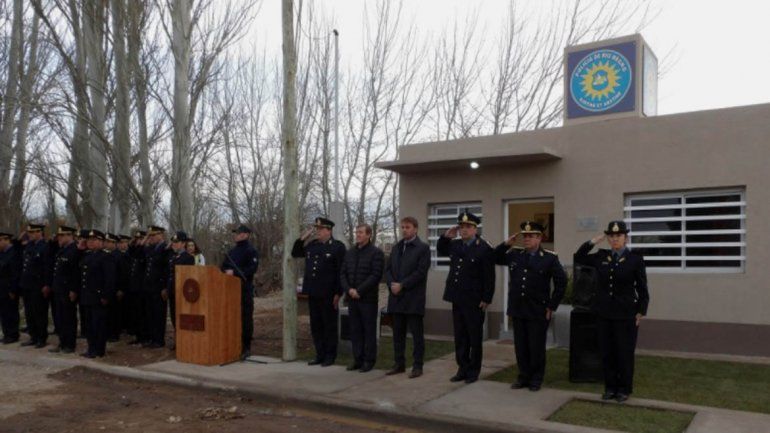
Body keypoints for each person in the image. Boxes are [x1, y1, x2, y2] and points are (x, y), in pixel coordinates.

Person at [574, 220, 649, 403]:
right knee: (606, 353)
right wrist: (593, 241)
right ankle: (610, 388)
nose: (615, 239)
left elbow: (642, 288)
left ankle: (624, 388)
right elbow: (579, 257)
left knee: (624, 353)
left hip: (626, 315)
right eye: (612, 236)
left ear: (625, 238)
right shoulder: (601, 256)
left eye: (619, 236)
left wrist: (640, 311)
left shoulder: (635, 260)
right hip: (604, 313)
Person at [494, 221, 567, 392]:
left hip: (538, 310)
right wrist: (505, 245)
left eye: (530, 236)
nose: (526, 239)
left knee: (536, 347)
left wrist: (552, 306)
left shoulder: (549, 258)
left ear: (539, 238)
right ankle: (523, 377)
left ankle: (536, 378)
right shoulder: (515, 254)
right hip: (518, 308)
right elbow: (494, 258)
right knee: (521, 346)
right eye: (524, 236)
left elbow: (561, 283)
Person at [437, 211, 495, 384]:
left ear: (475, 229)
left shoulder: (484, 248)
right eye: (461, 227)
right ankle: (462, 368)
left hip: (475, 299)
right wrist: (445, 236)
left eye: (468, 227)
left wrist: (487, 298)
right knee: (460, 336)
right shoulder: (455, 245)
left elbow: (489, 276)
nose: (464, 230)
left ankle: (473, 371)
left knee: (474, 337)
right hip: (457, 297)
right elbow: (441, 251)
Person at [291, 217, 346, 367]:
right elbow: (295, 252)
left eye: (320, 229)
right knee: (316, 326)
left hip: (328, 293)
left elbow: (341, 271)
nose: (318, 232)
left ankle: (330, 355)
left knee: (329, 325)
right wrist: (303, 237)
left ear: (329, 230)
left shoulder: (337, 247)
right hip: (313, 292)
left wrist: (338, 293)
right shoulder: (312, 245)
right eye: (316, 229)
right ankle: (319, 354)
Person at [384, 217, 430, 378]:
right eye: (402, 227)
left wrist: (402, 285)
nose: (404, 230)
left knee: (417, 335)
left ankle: (417, 366)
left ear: (415, 229)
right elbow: (388, 269)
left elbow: (420, 272)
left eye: (408, 227)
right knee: (398, 334)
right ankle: (399, 364)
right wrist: (392, 284)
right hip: (396, 298)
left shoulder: (423, 248)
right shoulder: (396, 248)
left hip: (413, 298)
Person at [340, 223, 384, 373]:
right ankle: (357, 359)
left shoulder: (376, 253)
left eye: (360, 232)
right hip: (352, 298)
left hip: (367, 299)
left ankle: (369, 360)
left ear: (368, 235)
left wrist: (359, 290)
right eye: (356, 232)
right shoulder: (350, 252)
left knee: (368, 331)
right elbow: (343, 273)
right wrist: (349, 290)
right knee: (355, 330)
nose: (357, 235)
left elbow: (376, 275)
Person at [221, 225, 259, 360]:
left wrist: (235, 272)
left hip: (244, 288)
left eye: (237, 233)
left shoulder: (251, 251)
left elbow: (251, 269)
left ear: (245, 235)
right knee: (231, 317)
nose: (235, 235)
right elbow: (223, 266)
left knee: (245, 318)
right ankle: (232, 343)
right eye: (235, 233)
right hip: (230, 290)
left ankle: (246, 347)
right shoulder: (231, 251)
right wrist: (223, 271)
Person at [78, 230, 116, 358]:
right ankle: (91, 348)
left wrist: (106, 296)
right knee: (89, 325)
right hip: (87, 296)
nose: (90, 242)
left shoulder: (106, 257)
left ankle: (99, 350)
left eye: (94, 240)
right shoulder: (87, 255)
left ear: (101, 242)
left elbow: (110, 279)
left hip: (98, 297)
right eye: (89, 240)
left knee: (98, 325)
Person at [48, 226, 81, 354]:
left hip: (68, 290)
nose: (59, 238)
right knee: (60, 318)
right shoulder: (62, 250)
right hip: (59, 289)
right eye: (59, 236)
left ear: (69, 236)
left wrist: (73, 290)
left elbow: (75, 273)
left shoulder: (74, 251)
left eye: (62, 236)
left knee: (69, 318)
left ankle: (70, 344)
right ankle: (62, 342)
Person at [20, 223, 51, 348]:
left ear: (39, 232)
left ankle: (41, 338)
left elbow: (47, 267)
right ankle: (33, 336)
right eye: (29, 233)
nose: (30, 235)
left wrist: (47, 284)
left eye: (33, 232)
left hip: (39, 285)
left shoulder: (44, 247)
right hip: (28, 284)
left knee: (39, 312)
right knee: (29, 312)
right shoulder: (29, 246)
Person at [143, 225, 170, 348]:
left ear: (161, 235)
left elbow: (167, 269)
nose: (152, 238)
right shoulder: (151, 248)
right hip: (149, 286)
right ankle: (152, 338)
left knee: (159, 314)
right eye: (150, 235)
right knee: (150, 314)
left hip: (159, 286)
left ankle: (159, 340)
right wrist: (145, 238)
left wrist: (165, 287)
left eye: (154, 235)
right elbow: (138, 252)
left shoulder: (165, 248)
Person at [167, 231, 194, 350]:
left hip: (182, 293)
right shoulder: (174, 256)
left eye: (176, 242)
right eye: (173, 242)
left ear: (183, 244)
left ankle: (183, 341)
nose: (174, 244)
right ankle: (177, 340)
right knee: (173, 317)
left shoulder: (188, 258)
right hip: (173, 292)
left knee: (181, 318)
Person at [0, 232, 22, 344]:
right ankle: (6, 333)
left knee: (11, 312)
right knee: (3, 313)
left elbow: (15, 273)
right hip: (2, 288)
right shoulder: (2, 253)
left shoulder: (13, 253)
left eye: (0, 241)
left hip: (9, 288)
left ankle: (13, 334)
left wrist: (13, 289)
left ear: (6, 240)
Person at [127, 230, 148, 344]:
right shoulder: (136, 250)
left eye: (141, 239)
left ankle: (143, 337)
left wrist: (142, 243)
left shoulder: (145, 250)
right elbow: (130, 251)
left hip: (141, 288)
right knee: (135, 313)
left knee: (142, 314)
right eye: (138, 239)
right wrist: (133, 241)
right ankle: (138, 336)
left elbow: (139, 253)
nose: (139, 241)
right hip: (134, 287)